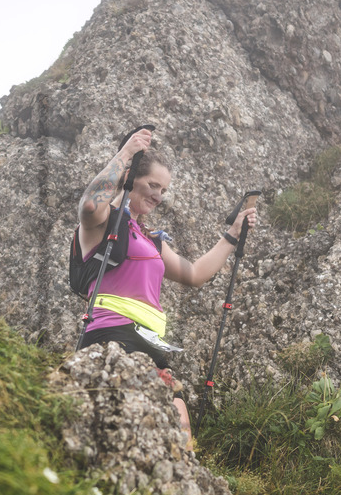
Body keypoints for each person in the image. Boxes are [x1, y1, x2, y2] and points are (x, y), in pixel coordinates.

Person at [76, 127, 256, 450]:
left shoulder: (150, 239)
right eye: (152, 185)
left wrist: (233, 233)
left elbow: (195, 274)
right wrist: (126, 153)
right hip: (109, 340)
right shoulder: (104, 223)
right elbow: (90, 204)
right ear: (130, 178)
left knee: (181, 428)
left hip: (150, 347)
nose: (159, 195)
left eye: (164, 189)